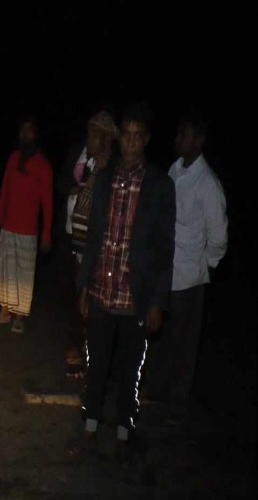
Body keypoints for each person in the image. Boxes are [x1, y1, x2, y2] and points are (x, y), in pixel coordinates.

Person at [67, 104, 176, 463]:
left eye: (136, 136)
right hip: (100, 290)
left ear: (145, 140)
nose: (129, 142)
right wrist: (84, 286)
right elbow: (94, 235)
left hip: (135, 297)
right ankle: (90, 424)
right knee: (96, 364)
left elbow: (164, 247)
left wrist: (158, 301)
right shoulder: (106, 175)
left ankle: (124, 429)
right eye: (124, 135)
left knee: (130, 368)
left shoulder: (160, 185)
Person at [143, 112, 228, 425]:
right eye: (178, 134)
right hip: (167, 271)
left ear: (199, 141)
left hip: (190, 277)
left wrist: (207, 265)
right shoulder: (175, 171)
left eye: (184, 134)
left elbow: (218, 236)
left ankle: (177, 405)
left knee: (184, 345)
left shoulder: (207, 183)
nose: (178, 139)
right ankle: (154, 390)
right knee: (160, 336)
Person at [57, 110, 119, 377]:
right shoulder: (78, 154)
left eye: (96, 134)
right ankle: (74, 349)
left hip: (95, 244)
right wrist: (71, 188)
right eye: (89, 131)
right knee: (72, 295)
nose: (90, 138)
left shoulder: (113, 167)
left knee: (90, 300)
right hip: (71, 235)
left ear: (107, 139)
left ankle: (90, 356)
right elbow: (61, 182)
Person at [0, 116, 53, 333]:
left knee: (23, 274)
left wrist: (46, 234)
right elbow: (4, 191)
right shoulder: (13, 159)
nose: (26, 135)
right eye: (23, 130)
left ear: (36, 134)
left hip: (28, 231)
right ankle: (5, 312)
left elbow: (48, 203)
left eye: (30, 130)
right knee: (4, 270)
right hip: (7, 226)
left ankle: (19, 317)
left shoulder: (43, 166)